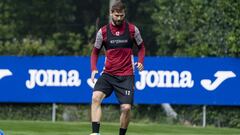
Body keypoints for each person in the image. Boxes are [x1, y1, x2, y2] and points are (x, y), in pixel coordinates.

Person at [90, 1, 145, 135]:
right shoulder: (103, 32)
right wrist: (93, 68)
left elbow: (141, 47)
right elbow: (95, 51)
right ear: (111, 14)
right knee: (96, 97)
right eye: (117, 15)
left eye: (121, 15)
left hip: (126, 75)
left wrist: (141, 61)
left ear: (124, 13)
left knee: (126, 108)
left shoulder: (132, 30)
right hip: (108, 74)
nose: (119, 18)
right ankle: (95, 133)